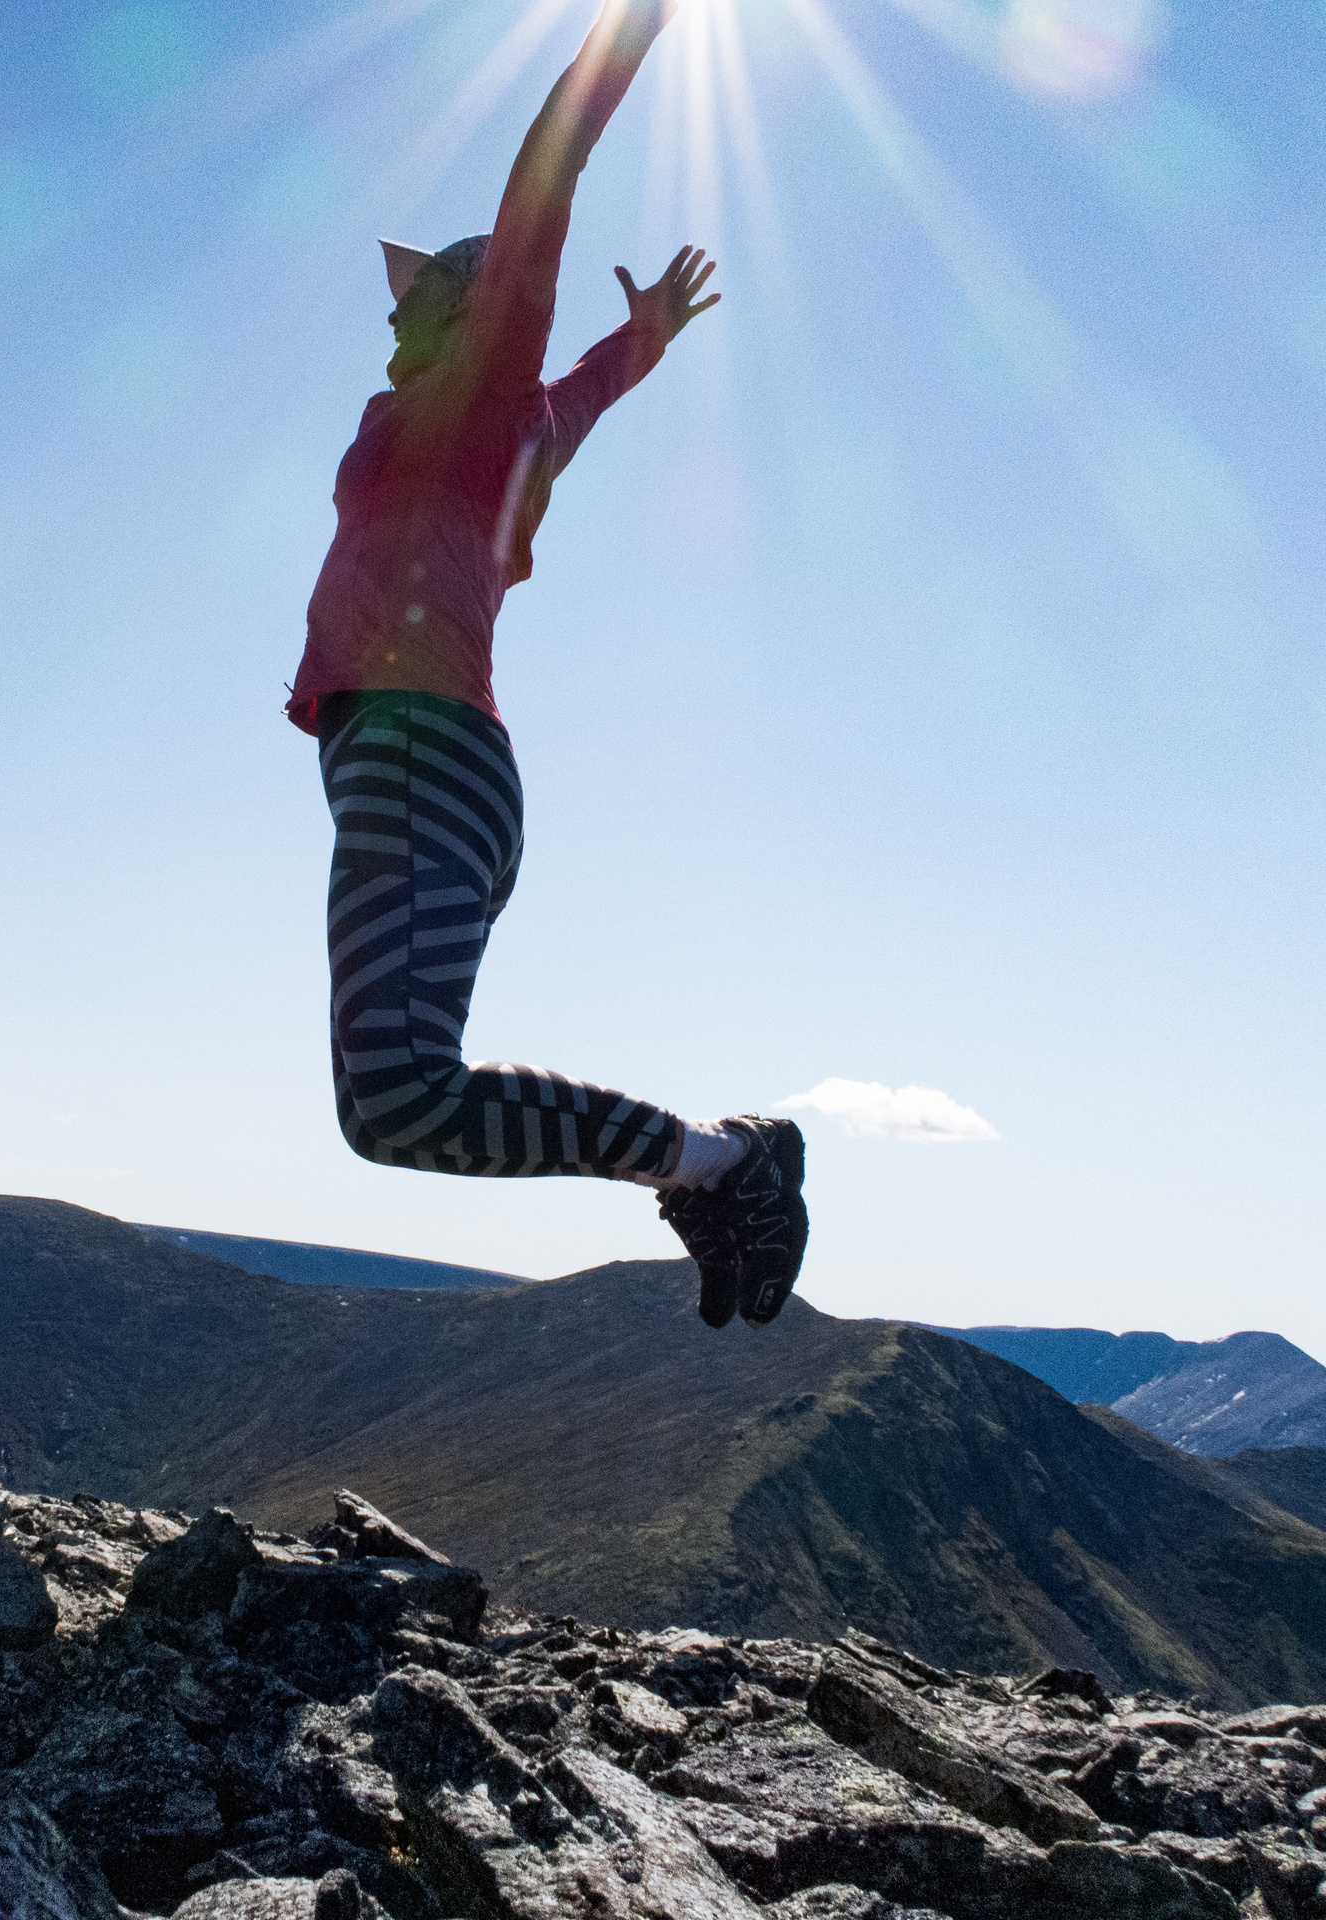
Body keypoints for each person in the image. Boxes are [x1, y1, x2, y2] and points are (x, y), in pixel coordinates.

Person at [285, 0, 807, 1330]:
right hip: (416, 767)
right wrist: (644, 344)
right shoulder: (497, 420)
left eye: (419, 305)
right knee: (393, 1108)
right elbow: (582, 394)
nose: (391, 327)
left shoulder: (467, 395)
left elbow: (545, 176)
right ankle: (712, 1169)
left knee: (399, 1098)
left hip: (422, 755)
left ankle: (727, 1164)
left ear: (470, 312)